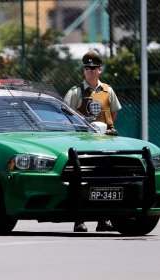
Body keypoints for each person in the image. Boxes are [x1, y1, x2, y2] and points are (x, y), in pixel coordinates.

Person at [64, 51, 122, 233]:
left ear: (99, 69)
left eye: (92, 68)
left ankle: (103, 219)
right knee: (82, 181)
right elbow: (66, 117)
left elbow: (112, 114)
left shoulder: (108, 90)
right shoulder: (75, 92)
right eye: (86, 68)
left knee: (106, 182)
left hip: (105, 143)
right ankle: (79, 220)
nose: (88, 71)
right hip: (83, 145)